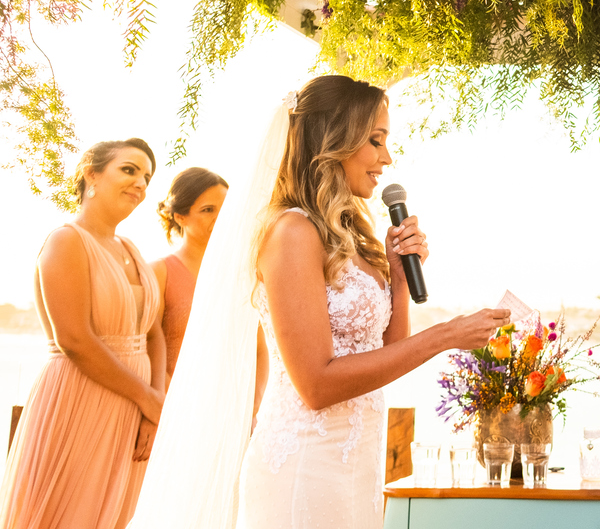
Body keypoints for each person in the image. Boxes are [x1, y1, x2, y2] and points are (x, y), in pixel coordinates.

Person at [128, 76, 509, 529]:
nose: (386, 157)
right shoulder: (291, 232)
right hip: (305, 465)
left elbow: (386, 350)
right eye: (375, 140)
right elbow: (316, 385)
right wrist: (445, 336)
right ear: (335, 139)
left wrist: (399, 275)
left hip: (358, 459)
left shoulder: (352, 235)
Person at [0, 139, 166, 529]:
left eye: (146, 177)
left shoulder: (131, 249)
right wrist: (147, 398)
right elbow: (74, 339)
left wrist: (153, 410)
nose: (140, 183)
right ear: (92, 174)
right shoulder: (66, 241)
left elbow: (153, 333)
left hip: (134, 407)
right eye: (129, 170)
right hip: (78, 396)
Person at [153, 167, 229, 381]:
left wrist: (251, 404)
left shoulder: (241, 274)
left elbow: (259, 349)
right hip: (173, 406)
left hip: (235, 408)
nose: (220, 218)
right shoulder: (159, 273)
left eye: (225, 209)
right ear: (180, 217)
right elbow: (147, 352)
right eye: (208, 210)